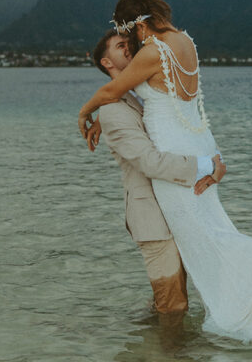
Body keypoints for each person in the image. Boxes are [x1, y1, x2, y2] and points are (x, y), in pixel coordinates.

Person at [79, 0, 252, 344]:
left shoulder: (151, 53)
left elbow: (111, 92)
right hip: (191, 147)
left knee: (206, 244)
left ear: (138, 25)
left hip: (178, 158)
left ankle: (180, 347)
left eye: (129, 39)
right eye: (124, 46)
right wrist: (210, 161)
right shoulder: (184, 42)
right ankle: (177, 347)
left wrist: (84, 112)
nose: (132, 47)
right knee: (209, 238)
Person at [90, 28, 226, 317]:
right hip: (153, 221)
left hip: (174, 211)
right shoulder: (112, 111)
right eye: (118, 46)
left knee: (172, 304)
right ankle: (166, 361)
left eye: (128, 42)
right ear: (106, 63)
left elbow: (179, 133)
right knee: (173, 306)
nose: (127, 47)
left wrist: (216, 162)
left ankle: (152, 357)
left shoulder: (144, 96)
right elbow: (150, 162)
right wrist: (205, 166)